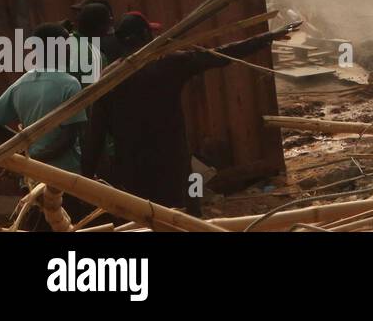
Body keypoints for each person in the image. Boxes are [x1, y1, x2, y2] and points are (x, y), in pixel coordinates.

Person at [83, 12, 298, 214]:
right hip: (172, 164)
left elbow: (95, 135)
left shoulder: (108, 78)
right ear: (146, 35)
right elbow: (222, 54)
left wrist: (85, 178)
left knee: (141, 223)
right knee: (186, 218)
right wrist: (267, 37)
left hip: (131, 171)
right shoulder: (169, 64)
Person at [0, 23, 87, 172]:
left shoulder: (21, 84)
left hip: (31, 173)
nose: (70, 49)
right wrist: (36, 158)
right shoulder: (70, 84)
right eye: (67, 44)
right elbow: (69, 138)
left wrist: (22, 149)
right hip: (65, 175)